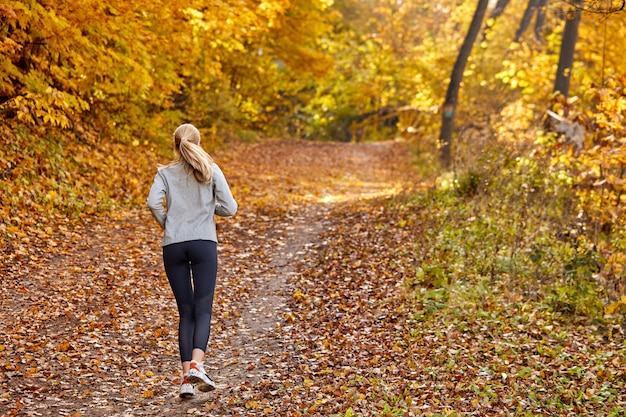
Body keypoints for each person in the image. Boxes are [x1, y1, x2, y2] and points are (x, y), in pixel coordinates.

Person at [147, 123, 237, 398]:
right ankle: (198, 365)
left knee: (185, 311)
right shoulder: (210, 169)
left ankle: (186, 380)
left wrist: (169, 223)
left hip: (173, 245)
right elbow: (230, 208)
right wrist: (210, 209)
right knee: (202, 309)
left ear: (175, 145)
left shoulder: (165, 173)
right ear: (197, 143)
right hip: (203, 243)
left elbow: (153, 203)